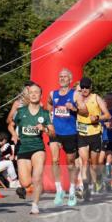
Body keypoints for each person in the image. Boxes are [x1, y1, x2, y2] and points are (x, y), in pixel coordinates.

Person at [8, 83, 54, 215]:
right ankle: (37, 188)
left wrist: (44, 129)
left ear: (41, 95)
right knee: (26, 182)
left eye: (37, 92)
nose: (34, 94)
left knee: (37, 177)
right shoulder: (21, 112)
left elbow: (53, 133)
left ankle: (35, 205)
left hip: (38, 148)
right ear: (29, 95)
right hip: (23, 148)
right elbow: (10, 125)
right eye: (31, 92)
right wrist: (14, 134)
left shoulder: (45, 114)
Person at [73, 76, 111, 202]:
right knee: (85, 162)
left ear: (91, 88)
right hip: (82, 133)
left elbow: (107, 115)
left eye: (86, 87)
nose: (84, 89)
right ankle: (85, 188)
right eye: (82, 87)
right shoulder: (77, 98)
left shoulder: (96, 98)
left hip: (94, 133)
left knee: (94, 165)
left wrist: (98, 118)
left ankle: (98, 178)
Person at [46, 68, 80, 207]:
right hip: (55, 133)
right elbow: (49, 104)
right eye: (60, 76)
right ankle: (59, 190)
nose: (62, 78)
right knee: (55, 160)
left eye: (65, 77)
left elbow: (83, 109)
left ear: (70, 79)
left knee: (71, 162)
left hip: (70, 133)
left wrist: (73, 108)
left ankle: (72, 190)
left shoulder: (75, 94)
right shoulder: (52, 94)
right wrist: (50, 116)